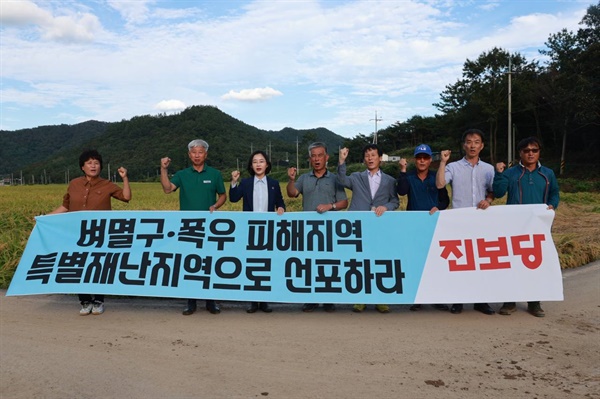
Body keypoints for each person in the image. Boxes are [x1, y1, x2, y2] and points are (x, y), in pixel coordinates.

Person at [49, 149, 131, 316]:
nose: (93, 166)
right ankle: (85, 300)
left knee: (98, 265)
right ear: (82, 166)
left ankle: (99, 300)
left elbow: (126, 197)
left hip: (100, 233)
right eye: (89, 163)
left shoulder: (107, 184)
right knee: (79, 265)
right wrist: (45, 218)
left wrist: (124, 178)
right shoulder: (74, 184)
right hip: (76, 233)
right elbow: (65, 206)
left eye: (96, 163)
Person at [493, 136, 559, 318]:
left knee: (535, 263)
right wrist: (499, 174)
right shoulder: (511, 173)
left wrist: (552, 206)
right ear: (520, 153)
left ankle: (534, 302)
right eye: (526, 151)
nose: (530, 153)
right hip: (513, 226)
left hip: (538, 227)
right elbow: (498, 193)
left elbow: (554, 194)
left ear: (539, 152)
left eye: (534, 150)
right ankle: (509, 301)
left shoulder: (547, 173)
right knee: (512, 263)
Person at [161, 139, 226, 316]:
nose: (197, 155)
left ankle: (211, 301)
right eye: (194, 152)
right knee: (190, 263)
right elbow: (167, 189)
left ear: (206, 154)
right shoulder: (182, 174)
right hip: (188, 228)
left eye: (200, 152)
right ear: (189, 155)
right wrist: (164, 169)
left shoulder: (214, 174)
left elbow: (222, 195)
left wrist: (216, 206)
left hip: (210, 227)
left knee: (209, 263)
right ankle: (190, 302)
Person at [436, 129, 496, 315]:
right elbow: (440, 184)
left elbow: (493, 190)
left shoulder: (488, 169)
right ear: (464, 145)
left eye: (476, 142)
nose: (472, 145)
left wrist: (489, 200)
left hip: (481, 221)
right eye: (469, 142)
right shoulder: (453, 167)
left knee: (480, 262)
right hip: (459, 222)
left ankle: (481, 301)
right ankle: (458, 300)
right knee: (460, 262)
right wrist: (443, 162)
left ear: (482, 146)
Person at [337, 144, 399, 313]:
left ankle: (380, 299)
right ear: (363, 159)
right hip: (359, 226)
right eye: (367, 155)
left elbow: (395, 201)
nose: (370, 158)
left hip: (379, 226)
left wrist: (386, 207)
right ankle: (361, 298)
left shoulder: (389, 180)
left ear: (380, 158)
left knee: (378, 261)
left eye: (373, 155)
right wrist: (342, 160)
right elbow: (342, 180)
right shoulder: (356, 177)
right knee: (359, 262)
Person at [287, 142, 348, 313]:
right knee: (310, 264)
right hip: (308, 230)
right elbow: (292, 193)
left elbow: (344, 202)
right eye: (313, 156)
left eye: (320, 155)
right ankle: (311, 299)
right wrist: (291, 180)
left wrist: (330, 206)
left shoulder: (335, 178)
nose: (316, 159)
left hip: (330, 230)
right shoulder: (304, 178)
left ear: (326, 157)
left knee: (328, 264)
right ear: (309, 159)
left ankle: (329, 299)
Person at [230, 150, 286, 313]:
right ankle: (253, 301)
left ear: (267, 165)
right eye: (255, 162)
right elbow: (234, 199)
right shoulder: (246, 183)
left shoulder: (274, 183)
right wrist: (234, 182)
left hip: (269, 230)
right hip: (250, 229)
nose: (258, 164)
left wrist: (281, 208)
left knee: (267, 264)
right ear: (251, 165)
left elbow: (280, 203)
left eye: (261, 161)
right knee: (252, 264)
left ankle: (265, 301)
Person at [397, 144, 450, 312]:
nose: (422, 161)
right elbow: (402, 191)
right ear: (415, 160)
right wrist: (403, 171)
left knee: (435, 261)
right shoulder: (410, 177)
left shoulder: (437, 177)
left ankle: (437, 297)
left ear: (430, 160)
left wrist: (438, 208)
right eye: (419, 158)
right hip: (413, 226)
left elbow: (445, 200)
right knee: (416, 262)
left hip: (433, 225)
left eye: (425, 158)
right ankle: (417, 297)